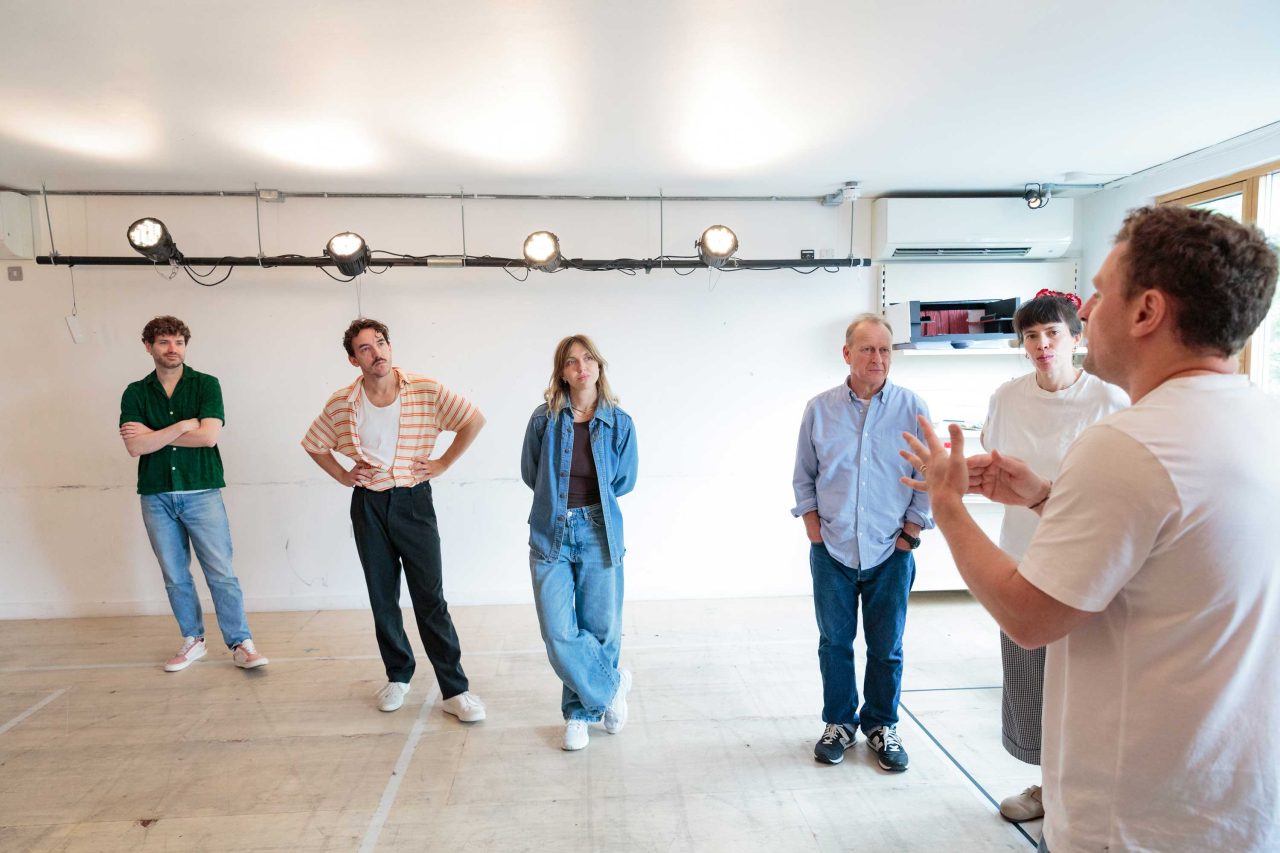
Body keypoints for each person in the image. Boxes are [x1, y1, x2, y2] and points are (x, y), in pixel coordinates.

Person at [900, 205, 1279, 852]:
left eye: (1102, 290)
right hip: (1236, 802)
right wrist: (1048, 497)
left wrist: (948, 505)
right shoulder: (1260, 418)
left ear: (1146, 311)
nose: (1089, 309)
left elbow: (1029, 615)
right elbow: (1176, 560)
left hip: (1138, 815)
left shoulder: (1129, 441)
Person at [980, 292, 1128, 822]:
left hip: (1092, 560)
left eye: (1053, 335)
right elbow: (995, 466)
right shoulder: (1007, 397)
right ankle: (1048, 785)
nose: (1042, 346)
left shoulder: (1110, 400)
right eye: (1031, 337)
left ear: (1076, 339)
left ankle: (1091, 791)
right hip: (1024, 557)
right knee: (1030, 680)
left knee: (1091, 682)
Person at [302, 318, 486, 720]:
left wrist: (441, 463)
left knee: (430, 598)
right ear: (354, 359)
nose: (377, 352)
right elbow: (314, 443)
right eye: (365, 348)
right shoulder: (342, 403)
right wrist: (343, 475)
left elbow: (472, 419)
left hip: (414, 501)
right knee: (383, 598)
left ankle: (455, 689)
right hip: (368, 504)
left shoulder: (424, 389)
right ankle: (398, 675)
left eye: (381, 343)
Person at [792, 313, 933, 771]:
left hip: (891, 550)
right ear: (847, 353)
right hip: (831, 549)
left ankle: (880, 725)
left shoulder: (913, 407)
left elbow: (928, 475)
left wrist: (911, 535)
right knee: (834, 642)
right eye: (867, 349)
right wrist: (814, 527)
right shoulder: (819, 408)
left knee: (886, 646)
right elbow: (804, 476)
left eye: (885, 349)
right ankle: (838, 723)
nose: (877, 358)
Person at [119, 315, 268, 672]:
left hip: (202, 492)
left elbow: (208, 437)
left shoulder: (206, 385)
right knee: (174, 574)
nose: (173, 349)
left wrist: (156, 433)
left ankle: (241, 642)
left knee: (221, 572)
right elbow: (135, 448)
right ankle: (193, 640)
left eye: (179, 342)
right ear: (148, 347)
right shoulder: (136, 392)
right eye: (164, 342)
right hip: (156, 495)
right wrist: (183, 424)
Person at [520, 335, 638, 751]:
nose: (581, 367)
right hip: (550, 530)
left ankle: (578, 715)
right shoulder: (543, 420)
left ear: (599, 367)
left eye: (588, 359)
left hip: (598, 529)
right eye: (571, 362)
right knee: (558, 631)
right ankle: (611, 687)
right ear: (562, 373)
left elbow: (624, 480)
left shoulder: (619, 423)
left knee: (601, 626)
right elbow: (530, 473)